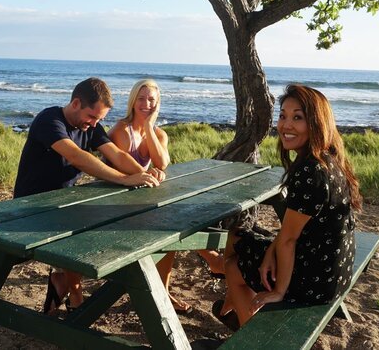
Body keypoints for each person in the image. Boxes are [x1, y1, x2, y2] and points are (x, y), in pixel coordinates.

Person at [213, 84, 362, 330]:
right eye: (283, 116)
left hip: (316, 281)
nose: (286, 125)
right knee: (245, 236)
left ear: (317, 123)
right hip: (335, 270)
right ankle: (234, 309)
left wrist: (279, 291)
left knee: (232, 261)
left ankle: (252, 335)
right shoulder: (329, 160)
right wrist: (271, 251)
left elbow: (289, 240)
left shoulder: (309, 171)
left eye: (298, 118)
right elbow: (294, 233)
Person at [13, 77, 164, 315]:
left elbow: (114, 153)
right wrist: (124, 179)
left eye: (99, 119)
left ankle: (63, 282)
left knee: (107, 224)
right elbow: (77, 156)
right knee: (83, 233)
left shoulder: (90, 126)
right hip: (30, 205)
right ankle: (75, 295)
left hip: (64, 200)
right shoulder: (49, 120)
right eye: (92, 117)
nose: (94, 124)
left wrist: (144, 174)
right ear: (76, 104)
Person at [108, 79, 224, 314]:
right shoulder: (121, 130)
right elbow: (129, 170)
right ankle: (212, 259)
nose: (146, 104)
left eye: (151, 99)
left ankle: (164, 290)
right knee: (168, 223)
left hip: (139, 197)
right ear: (132, 101)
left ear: (157, 103)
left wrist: (149, 127)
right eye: (141, 98)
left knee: (171, 220)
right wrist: (145, 172)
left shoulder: (159, 133)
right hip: (112, 201)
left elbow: (162, 162)